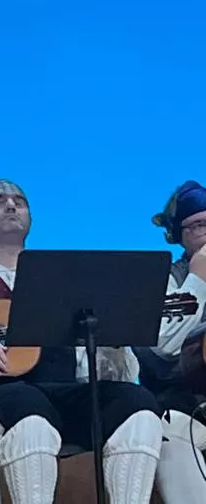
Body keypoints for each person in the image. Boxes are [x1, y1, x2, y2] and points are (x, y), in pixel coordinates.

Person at [0, 179, 163, 504]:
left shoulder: (59, 277)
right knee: (25, 404)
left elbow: (91, 370)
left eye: (20, 201)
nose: (12, 205)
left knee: (136, 402)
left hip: (57, 394)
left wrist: (111, 340)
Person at [138, 181, 206, 502]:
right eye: (198, 225)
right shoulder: (163, 279)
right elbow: (164, 345)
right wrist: (199, 278)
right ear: (178, 235)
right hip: (182, 411)